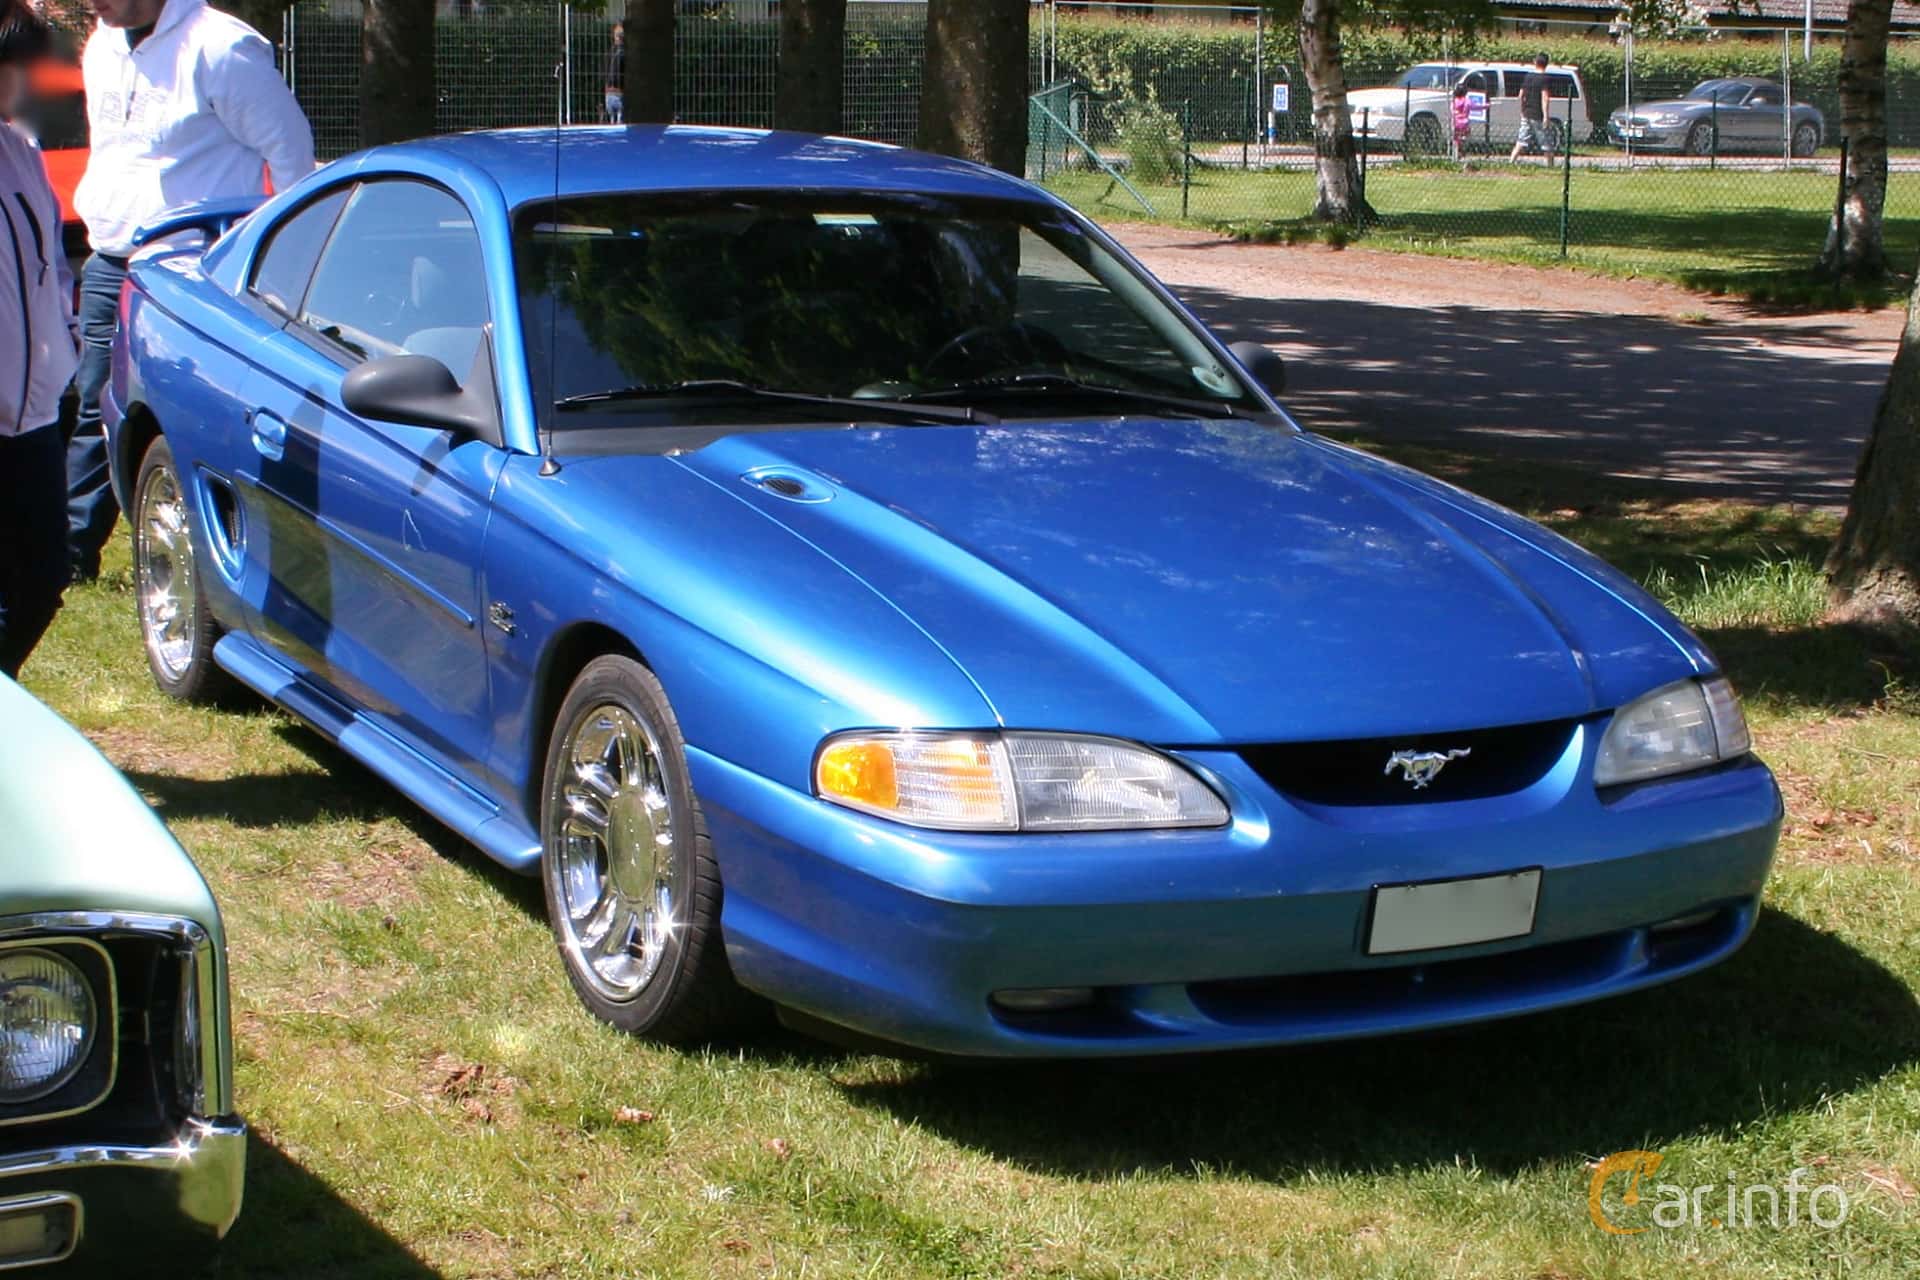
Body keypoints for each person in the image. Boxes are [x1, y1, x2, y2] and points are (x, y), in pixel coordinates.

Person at [66, 0, 314, 583]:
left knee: (183, 413)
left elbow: (292, 155)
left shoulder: (222, 48)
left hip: (188, 271)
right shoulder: (102, 42)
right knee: (91, 400)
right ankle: (69, 553)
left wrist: (285, 261)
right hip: (111, 258)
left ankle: (216, 550)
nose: (95, 4)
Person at [1, 0, 80, 678]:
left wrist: (68, 345)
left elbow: (51, 268)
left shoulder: (21, 154)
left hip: (32, 415)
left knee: (45, 577)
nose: (25, 85)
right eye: (15, 70)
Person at [1508, 52, 1554, 163]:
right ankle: (1550, 166)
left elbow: (1521, 95)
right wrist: (1546, 117)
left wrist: (1522, 110)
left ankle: (1511, 161)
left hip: (1526, 113)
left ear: (1535, 62)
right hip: (1538, 114)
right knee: (1546, 143)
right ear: (1547, 64)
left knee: (1521, 140)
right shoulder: (1545, 79)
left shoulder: (1528, 76)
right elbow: (1545, 98)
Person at [604, 21, 624, 124]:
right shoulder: (610, 52)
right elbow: (605, 71)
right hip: (610, 93)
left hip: (620, 93)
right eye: (617, 35)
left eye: (621, 35)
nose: (619, 37)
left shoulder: (625, 52)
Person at [1451, 82, 1471, 161]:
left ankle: (1456, 156)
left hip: (1456, 122)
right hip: (1465, 123)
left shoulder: (1454, 101)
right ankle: (1462, 153)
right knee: (1464, 138)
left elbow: (1452, 111)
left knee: (1456, 140)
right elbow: (1472, 106)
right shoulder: (1466, 101)